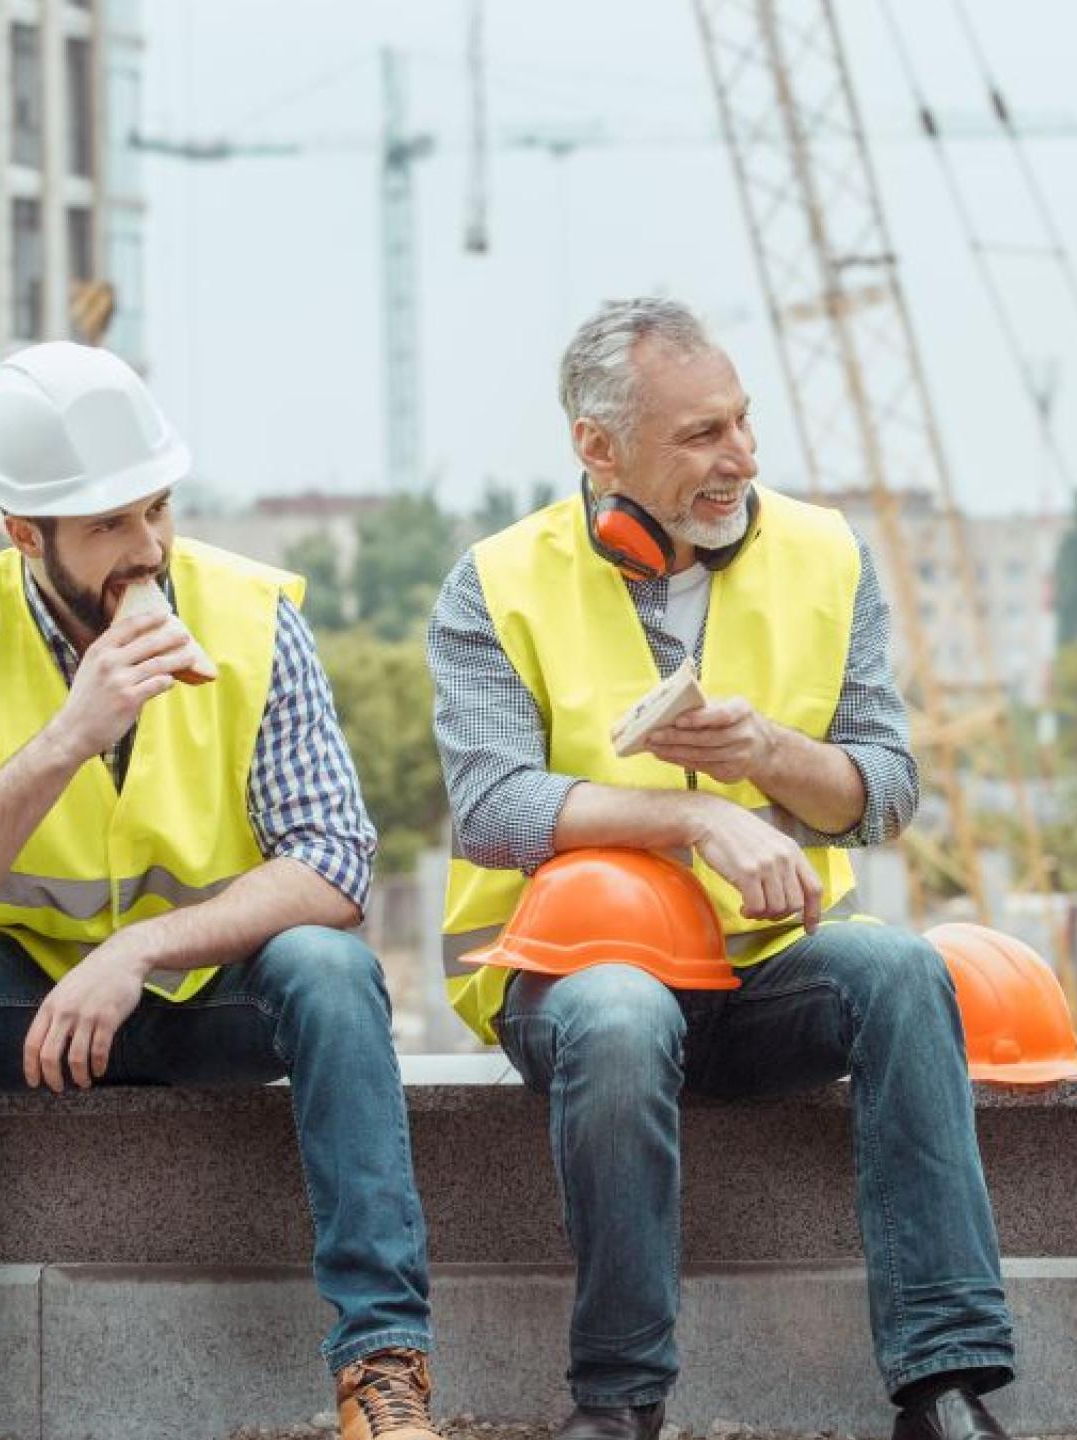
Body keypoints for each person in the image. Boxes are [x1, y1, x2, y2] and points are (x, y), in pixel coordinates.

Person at [0, 342, 438, 1440]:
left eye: (157, 508)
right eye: (107, 524)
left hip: (211, 996)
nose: (146, 547)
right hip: (27, 1007)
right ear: (22, 531)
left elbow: (333, 862)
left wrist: (141, 951)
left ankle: (381, 1368)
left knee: (333, 970)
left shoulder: (252, 617)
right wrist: (66, 736)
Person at [426, 298, 1015, 1440]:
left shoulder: (828, 554)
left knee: (900, 971)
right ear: (597, 448)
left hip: (765, 969)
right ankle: (619, 1402)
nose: (738, 456)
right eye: (700, 434)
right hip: (569, 973)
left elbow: (884, 793)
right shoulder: (496, 583)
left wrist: (771, 759)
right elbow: (491, 809)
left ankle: (946, 1386)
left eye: (741, 422)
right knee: (618, 1014)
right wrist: (691, 822)